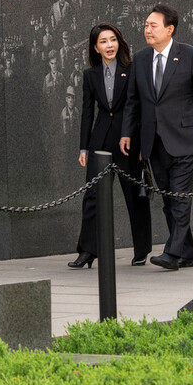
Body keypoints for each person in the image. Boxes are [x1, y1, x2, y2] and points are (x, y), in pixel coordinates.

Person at [121, 3, 193, 270]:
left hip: (186, 138)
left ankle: (172, 252)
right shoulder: (140, 59)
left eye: (153, 25)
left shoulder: (189, 55)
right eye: (145, 25)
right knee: (167, 198)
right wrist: (127, 134)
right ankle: (187, 252)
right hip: (153, 141)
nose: (147, 30)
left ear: (170, 29)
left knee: (180, 196)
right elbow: (133, 101)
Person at [71, 23, 153, 268]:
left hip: (129, 140)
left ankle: (141, 250)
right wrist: (84, 148)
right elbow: (87, 113)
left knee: (134, 195)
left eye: (113, 40)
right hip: (100, 142)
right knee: (92, 197)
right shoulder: (90, 76)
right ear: (95, 48)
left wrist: (143, 143)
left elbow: (139, 107)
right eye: (104, 42)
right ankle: (87, 251)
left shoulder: (132, 68)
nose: (109, 45)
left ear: (120, 42)